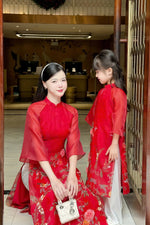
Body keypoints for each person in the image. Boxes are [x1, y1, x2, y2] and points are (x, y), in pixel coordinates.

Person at [6, 62, 108, 225]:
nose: (60, 85)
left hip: (62, 163)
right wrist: (54, 181)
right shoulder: (34, 110)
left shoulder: (71, 112)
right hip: (39, 167)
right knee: (54, 196)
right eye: (54, 81)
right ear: (45, 84)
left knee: (81, 194)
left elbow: (73, 145)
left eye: (63, 80)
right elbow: (38, 149)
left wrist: (72, 175)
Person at [85, 50, 130, 225]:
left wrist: (114, 144)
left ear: (109, 71)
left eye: (98, 71)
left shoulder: (118, 93)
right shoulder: (104, 91)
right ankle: (102, 212)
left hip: (110, 143)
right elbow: (97, 113)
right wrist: (93, 127)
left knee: (110, 179)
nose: (96, 75)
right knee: (99, 176)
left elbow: (118, 120)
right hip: (99, 141)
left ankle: (113, 216)